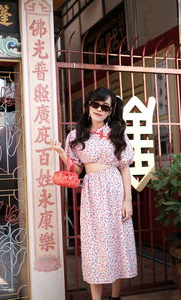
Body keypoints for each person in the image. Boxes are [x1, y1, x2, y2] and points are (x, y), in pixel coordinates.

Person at [52, 87, 137, 300]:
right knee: (94, 245)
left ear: (110, 111)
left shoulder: (117, 133)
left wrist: (128, 201)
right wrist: (63, 155)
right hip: (91, 193)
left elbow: (125, 168)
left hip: (115, 189)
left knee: (118, 240)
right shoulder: (76, 135)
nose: (99, 109)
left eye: (105, 107)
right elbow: (77, 171)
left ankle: (115, 296)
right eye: (95, 104)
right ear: (89, 104)